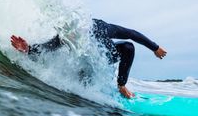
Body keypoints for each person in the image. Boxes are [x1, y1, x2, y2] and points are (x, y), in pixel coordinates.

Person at [11, 19, 167, 98]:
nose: (69, 37)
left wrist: (155, 47)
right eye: (67, 34)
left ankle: (121, 86)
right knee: (84, 78)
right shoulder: (64, 38)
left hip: (106, 56)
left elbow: (131, 34)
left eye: (73, 33)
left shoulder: (98, 28)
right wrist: (28, 49)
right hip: (87, 66)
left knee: (128, 47)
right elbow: (45, 48)